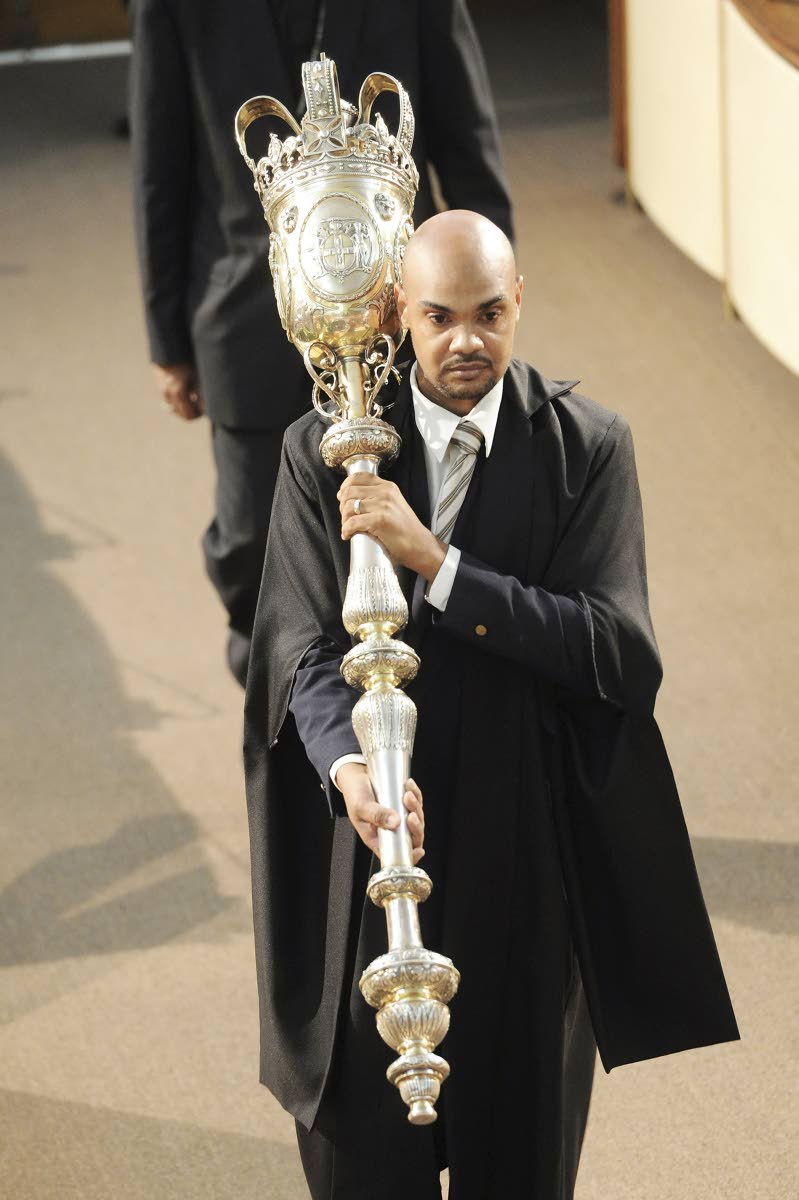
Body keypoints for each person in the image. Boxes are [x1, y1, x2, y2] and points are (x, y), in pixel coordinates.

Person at [242, 211, 739, 1199]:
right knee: (362, 1156)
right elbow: (301, 653)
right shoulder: (325, 452)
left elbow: (620, 655)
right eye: (439, 316)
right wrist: (351, 773)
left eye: (488, 314)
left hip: (525, 851)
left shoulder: (587, 449)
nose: (466, 340)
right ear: (396, 315)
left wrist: (435, 562)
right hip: (381, 852)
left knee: (519, 1154)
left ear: (520, 306)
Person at [129, 0, 513, 686]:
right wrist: (169, 341)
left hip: (405, 326)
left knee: (416, 529)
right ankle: (284, 725)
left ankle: (410, 741)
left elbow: (468, 151)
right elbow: (162, 170)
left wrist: (483, 316)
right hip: (246, 318)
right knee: (253, 550)